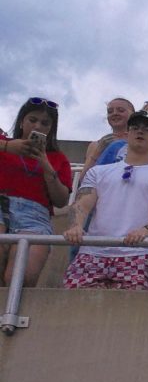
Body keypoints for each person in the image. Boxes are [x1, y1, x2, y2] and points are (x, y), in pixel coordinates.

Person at [63, 110, 148, 290]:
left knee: (129, 313)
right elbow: (82, 202)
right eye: (135, 128)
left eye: (147, 129)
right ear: (127, 135)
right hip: (92, 251)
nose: (140, 132)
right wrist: (76, 225)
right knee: (76, 307)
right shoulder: (99, 172)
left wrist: (146, 230)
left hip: (138, 254)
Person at [0, 98, 73, 286]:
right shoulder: (5, 143)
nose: (38, 126)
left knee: (20, 278)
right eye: (32, 120)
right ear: (22, 121)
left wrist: (46, 165)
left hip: (35, 217)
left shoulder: (58, 159)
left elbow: (61, 200)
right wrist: (8, 146)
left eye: (45, 123)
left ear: (51, 129)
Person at [81, 97, 134, 175]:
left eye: (121, 110)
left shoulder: (140, 141)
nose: (115, 113)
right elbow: (83, 178)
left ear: (133, 114)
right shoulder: (96, 145)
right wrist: (97, 152)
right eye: (110, 111)